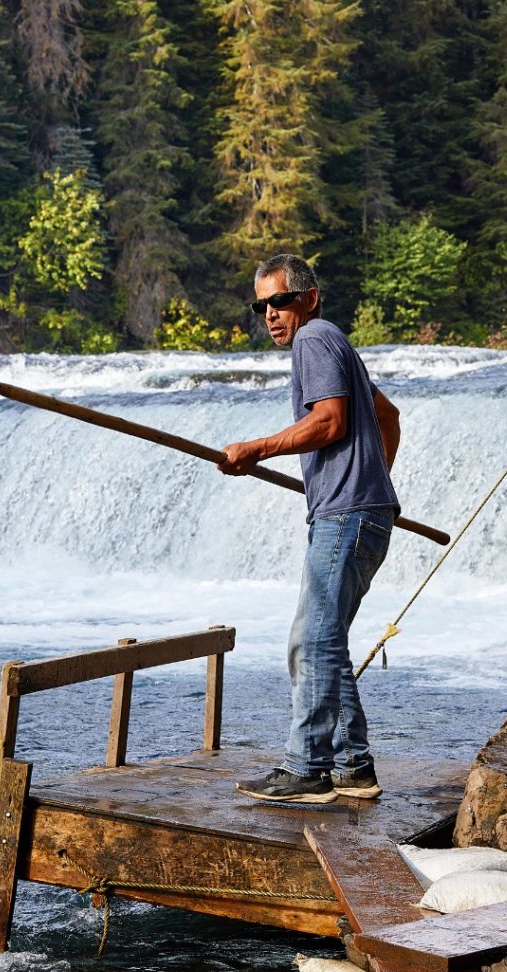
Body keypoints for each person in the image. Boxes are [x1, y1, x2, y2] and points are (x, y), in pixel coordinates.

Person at [219, 253, 401, 804]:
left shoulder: (314, 338)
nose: (271, 315)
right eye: (261, 306)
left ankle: (308, 768)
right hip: (362, 512)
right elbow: (388, 416)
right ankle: (352, 767)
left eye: (280, 301)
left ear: (310, 298)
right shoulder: (337, 345)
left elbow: (329, 422)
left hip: (346, 515)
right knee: (325, 640)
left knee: (314, 640)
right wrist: (371, 479)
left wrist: (257, 448)